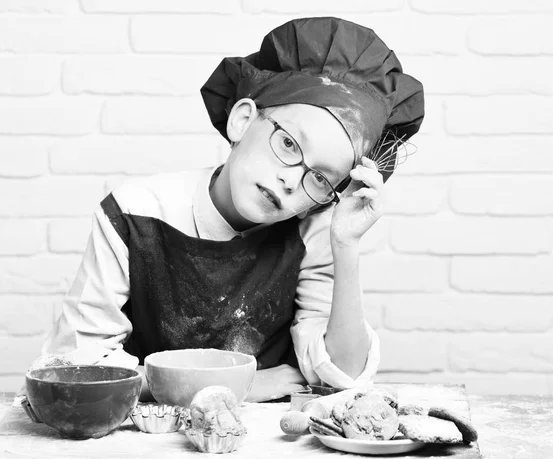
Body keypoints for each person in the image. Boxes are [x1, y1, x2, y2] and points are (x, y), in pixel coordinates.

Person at [40, 17, 424, 402]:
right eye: (289, 144)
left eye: (321, 178)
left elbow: (343, 375)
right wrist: (238, 385)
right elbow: (75, 364)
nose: (292, 181)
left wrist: (346, 246)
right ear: (242, 120)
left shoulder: (314, 234)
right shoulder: (134, 213)